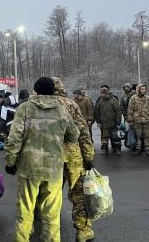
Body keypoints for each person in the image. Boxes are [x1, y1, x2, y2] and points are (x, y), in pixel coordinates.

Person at [5, 77, 80, 242]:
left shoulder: (25, 109)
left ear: (35, 91)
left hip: (28, 168)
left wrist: (10, 161)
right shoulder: (62, 110)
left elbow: (14, 137)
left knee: (25, 210)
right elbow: (74, 135)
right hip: (54, 169)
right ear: (53, 91)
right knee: (52, 214)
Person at [53, 77, 95, 242]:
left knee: (50, 193)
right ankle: (83, 230)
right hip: (72, 156)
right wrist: (89, 155)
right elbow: (83, 131)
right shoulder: (70, 104)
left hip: (48, 158)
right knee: (79, 194)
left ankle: (51, 229)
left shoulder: (36, 105)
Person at [127, 84, 149, 156]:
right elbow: (130, 110)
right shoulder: (133, 98)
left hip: (147, 120)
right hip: (137, 120)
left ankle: (147, 149)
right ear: (138, 90)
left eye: (144, 89)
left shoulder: (147, 98)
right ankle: (138, 149)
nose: (144, 90)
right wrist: (130, 120)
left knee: (147, 135)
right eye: (142, 89)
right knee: (138, 135)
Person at [95, 87, 122, 155]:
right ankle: (104, 149)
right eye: (101, 93)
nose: (101, 95)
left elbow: (118, 112)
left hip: (113, 123)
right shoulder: (100, 100)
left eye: (102, 93)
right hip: (104, 123)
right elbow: (97, 111)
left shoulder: (113, 100)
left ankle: (117, 149)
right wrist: (98, 121)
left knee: (116, 137)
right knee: (104, 137)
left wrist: (118, 123)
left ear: (106, 93)